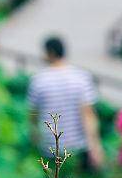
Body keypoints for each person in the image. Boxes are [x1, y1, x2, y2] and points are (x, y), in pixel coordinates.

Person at [28, 36, 104, 170]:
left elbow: (33, 112)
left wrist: (34, 134)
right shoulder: (81, 77)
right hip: (78, 147)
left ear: (50, 52)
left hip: (49, 146)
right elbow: (88, 115)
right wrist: (95, 146)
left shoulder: (38, 80)